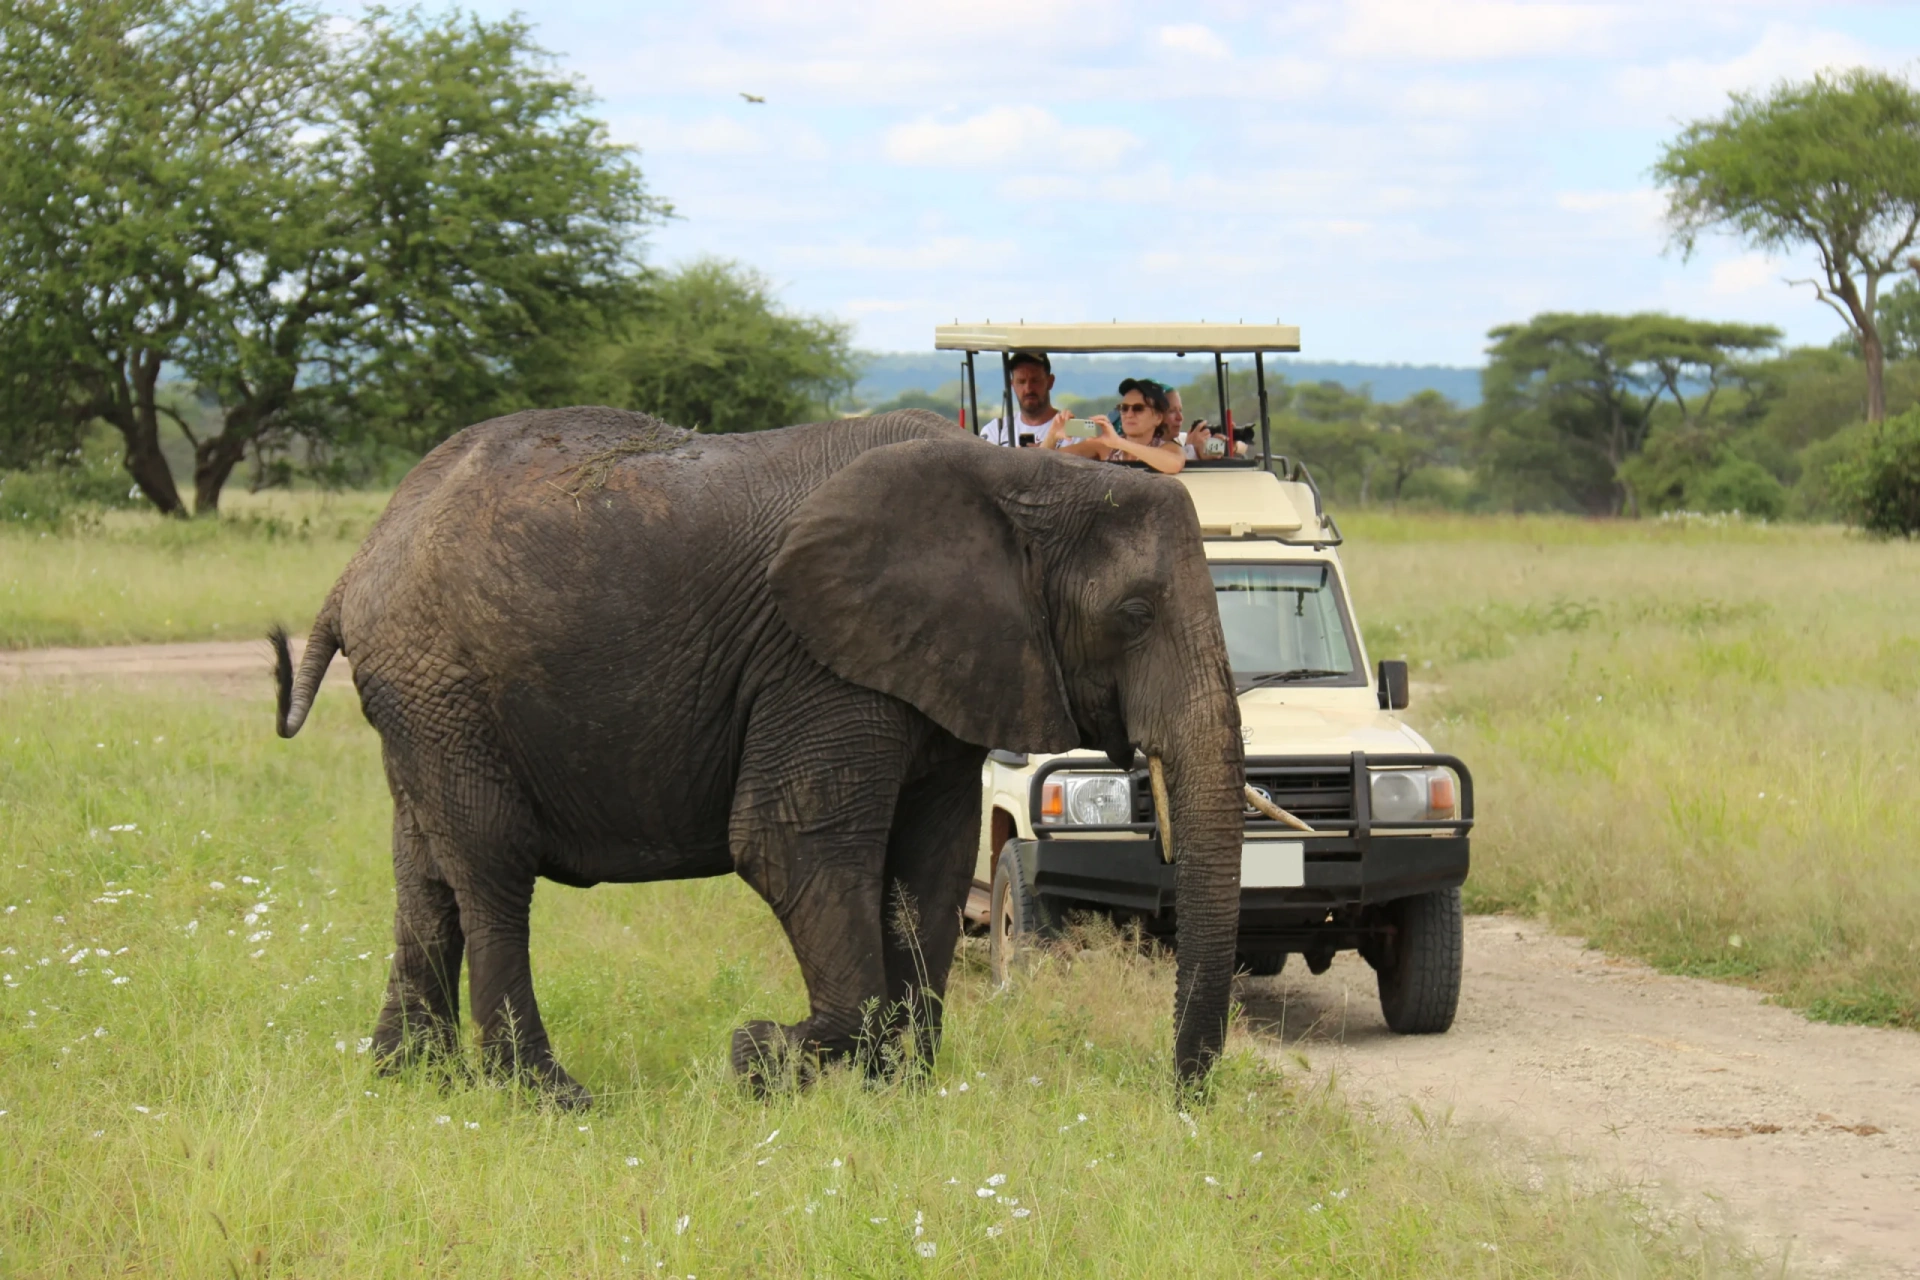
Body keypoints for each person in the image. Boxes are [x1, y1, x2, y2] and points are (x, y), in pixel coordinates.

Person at [1039, 377, 1185, 474]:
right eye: (1124, 408)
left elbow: (1173, 464)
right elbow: (1042, 463)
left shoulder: (1168, 448)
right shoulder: (1102, 446)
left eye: (1138, 408)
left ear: (1158, 418)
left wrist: (1119, 442)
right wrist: (1052, 435)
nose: (1129, 414)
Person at [979, 351, 1060, 447]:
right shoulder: (995, 431)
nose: (1028, 389)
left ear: (1050, 382)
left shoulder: (1071, 429)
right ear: (1012, 384)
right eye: (1021, 382)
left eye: (1035, 381)